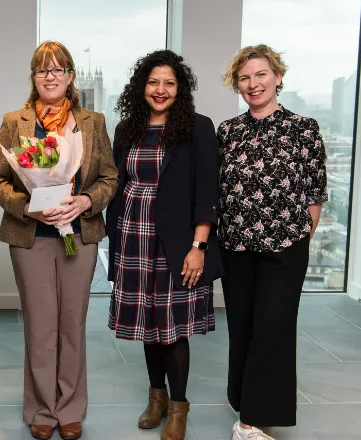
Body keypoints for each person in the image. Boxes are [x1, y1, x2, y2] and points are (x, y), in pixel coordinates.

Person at [0, 41, 118, 440]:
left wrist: (84, 200)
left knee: (72, 325)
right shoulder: (16, 121)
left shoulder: (92, 122)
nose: (50, 76)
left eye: (58, 69)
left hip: (80, 234)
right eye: (42, 70)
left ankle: (71, 407)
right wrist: (27, 207)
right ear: (34, 77)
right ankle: (43, 408)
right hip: (32, 238)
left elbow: (110, 178)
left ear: (71, 76)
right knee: (40, 326)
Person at [105, 50, 222, 440]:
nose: (160, 90)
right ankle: (156, 399)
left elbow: (208, 191)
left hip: (176, 244)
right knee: (148, 324)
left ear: (180, 88)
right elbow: (116, 184)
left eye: (169, 83)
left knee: (173, 329)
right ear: (142, 87)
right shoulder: (127, 129)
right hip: (133, 239)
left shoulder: (198, 128)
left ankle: (178, 407)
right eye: (153, 82)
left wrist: (198, 246)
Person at [217, 44, 328, 440]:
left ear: (278, 76)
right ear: (238, 85)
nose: (253, 83)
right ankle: (244, 400)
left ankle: (250, 422)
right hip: (236, 249)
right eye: (245, 77)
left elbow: (314, 195)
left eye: (261, 74)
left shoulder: (304, 128)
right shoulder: (227, 132)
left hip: (285, 249)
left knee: (273, 328)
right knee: (243, 327)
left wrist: (297, 239)